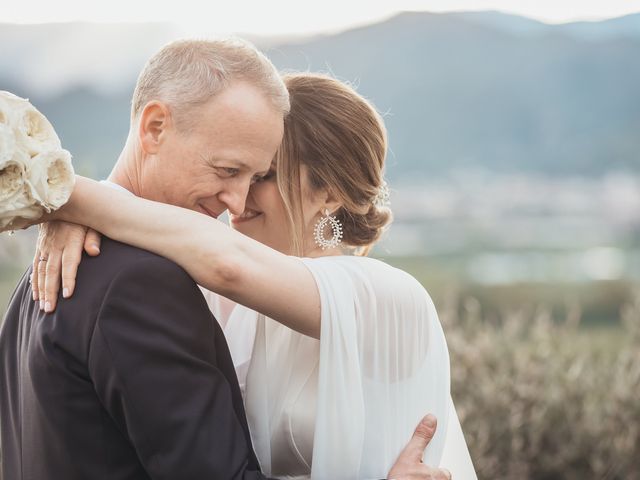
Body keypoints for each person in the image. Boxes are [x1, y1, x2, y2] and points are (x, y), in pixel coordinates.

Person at [0, 39, 452, 480]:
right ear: (154, 127)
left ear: (329, 192)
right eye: (230, 170)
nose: (236, 203)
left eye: (260, 176)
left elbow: (227, 263)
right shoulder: (140, 283)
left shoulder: (386, 298)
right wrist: (62, 203)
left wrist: (64, 198)